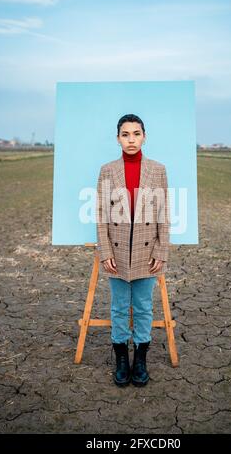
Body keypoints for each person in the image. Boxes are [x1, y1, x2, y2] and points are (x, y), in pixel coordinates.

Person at [96, 114, 170, 387]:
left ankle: (140, 359)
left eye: (136, 134)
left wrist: (161, 251)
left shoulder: (158, 169)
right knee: (118, 308)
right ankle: (121, 360)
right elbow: (101, 214)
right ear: (118, 138)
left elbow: (164, 214)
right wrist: (105, 252)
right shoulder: (106, 170)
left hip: (146, 251)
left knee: (142, 307)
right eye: (125, 134)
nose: (131, 139)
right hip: (116, 253)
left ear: (144, 136)